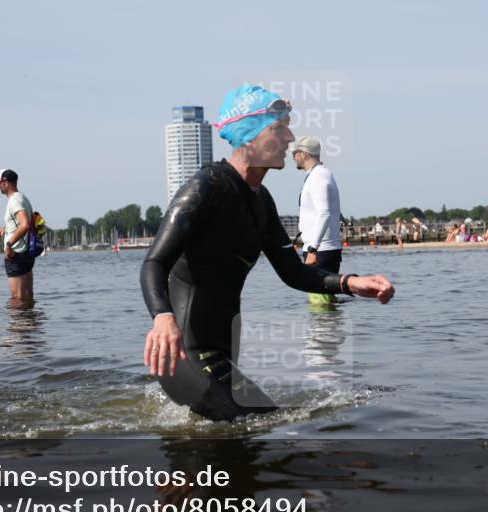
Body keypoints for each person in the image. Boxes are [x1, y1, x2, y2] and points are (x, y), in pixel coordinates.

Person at [140, 85, 395, 421]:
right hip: (183, 354)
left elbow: (294, 272)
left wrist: (350, 283)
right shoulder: (205, 189)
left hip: (221, 353)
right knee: (258, 427)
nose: (290, 138)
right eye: (278, 128)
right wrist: (162, 317)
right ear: (249, 136)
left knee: (263, 427)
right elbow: (154, 263)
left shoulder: (261, 201)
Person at [293, 136, 343, 304]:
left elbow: (324, 213)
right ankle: (325, 329)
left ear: (304, 154)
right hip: (321, 248)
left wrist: (313, 249)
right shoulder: (317, 175)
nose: (293, 156)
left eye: (295, 153)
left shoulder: (318, 176)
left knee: (319, 302)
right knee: (324, 300)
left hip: (321, 250)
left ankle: (323, 330)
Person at [0, 169, 34, 300]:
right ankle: (28, 320)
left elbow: (25, 224)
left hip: (16, 254)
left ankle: (18, 321)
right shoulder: (22, 197)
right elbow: (21, 222)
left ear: (6, 183)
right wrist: (5, 228)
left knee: (17, 298)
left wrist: (9, 244)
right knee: (27, 297)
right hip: (25, 253)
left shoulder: (14, 200)